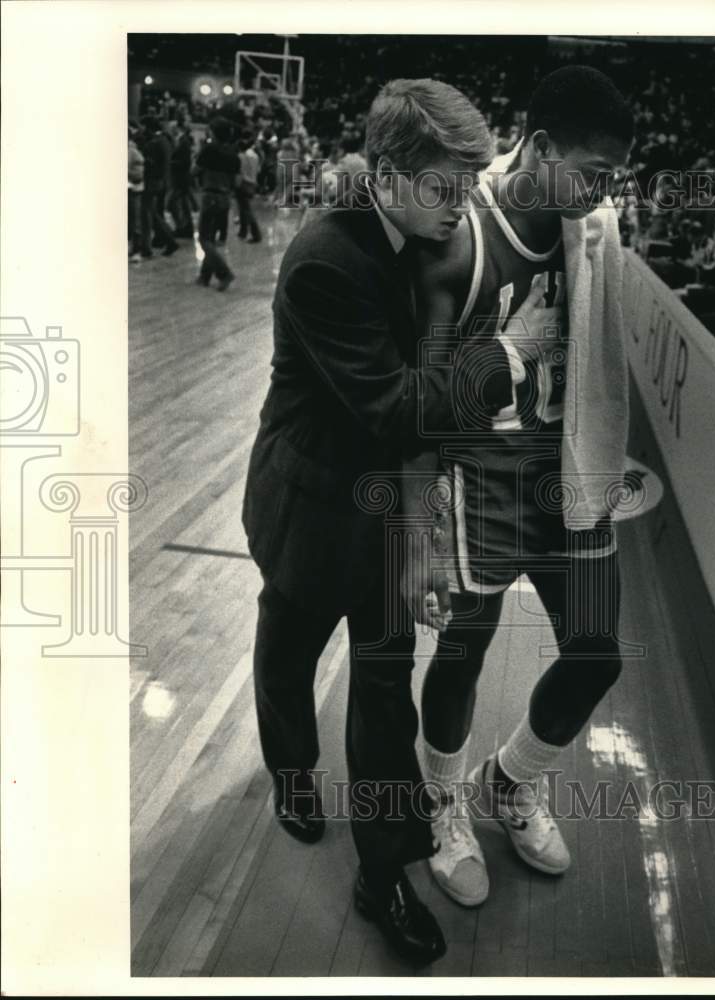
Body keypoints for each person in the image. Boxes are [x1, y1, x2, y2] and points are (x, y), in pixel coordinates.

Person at [241, 78, 523, 966]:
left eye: (470, 186)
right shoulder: (327, 256)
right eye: (446, 186)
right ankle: (291, 774)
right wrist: (505, 359)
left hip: (387, 519)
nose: (461, 205)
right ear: (390, 175)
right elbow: (399, 409)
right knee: (287, 652)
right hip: (311, 506)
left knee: (380, 701)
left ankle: (382, 871)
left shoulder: (424, 235)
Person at [403, 65, 635, 909]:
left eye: (613, 174)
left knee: (596, 650)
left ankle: (511, 780)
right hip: (477, 474)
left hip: (565, 466)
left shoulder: (595, 225)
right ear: (536, 147)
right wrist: (421, 526)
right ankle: (442, 805)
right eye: (593, 169)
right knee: (463, 649)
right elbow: (420, 393)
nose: (604, 190)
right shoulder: (462, 225)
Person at [195, 117, 239, 291]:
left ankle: (224, 273)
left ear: (214, 132)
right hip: (225, 197)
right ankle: (204, 276)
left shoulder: (209, 150)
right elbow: (236, 181)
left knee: (204, 238)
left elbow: (195, 170)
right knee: (211, 237)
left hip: (210, 194)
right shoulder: (233, 153)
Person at [139, 115, 178, 257]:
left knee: (147, 214)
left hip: (152, 181)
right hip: (163, 181)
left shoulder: (154, 143)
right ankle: (168, 240)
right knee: (153, 213)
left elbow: (149, 163)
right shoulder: (165, 141)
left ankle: (149, 246)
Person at [236, 132, 262, 243]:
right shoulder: (255, 155)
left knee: (246, 209)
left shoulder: (241, 157)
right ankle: (243, 231)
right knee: (244, 208)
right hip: (252, 182)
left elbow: (240, 172)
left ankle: (255, 234)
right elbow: (258, 170)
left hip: (243, 183)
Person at [128, 124, 145, 263]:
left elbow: (139, 174)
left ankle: (137, 250)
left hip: (133, 190)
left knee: (135, 221)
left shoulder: (133, 152)